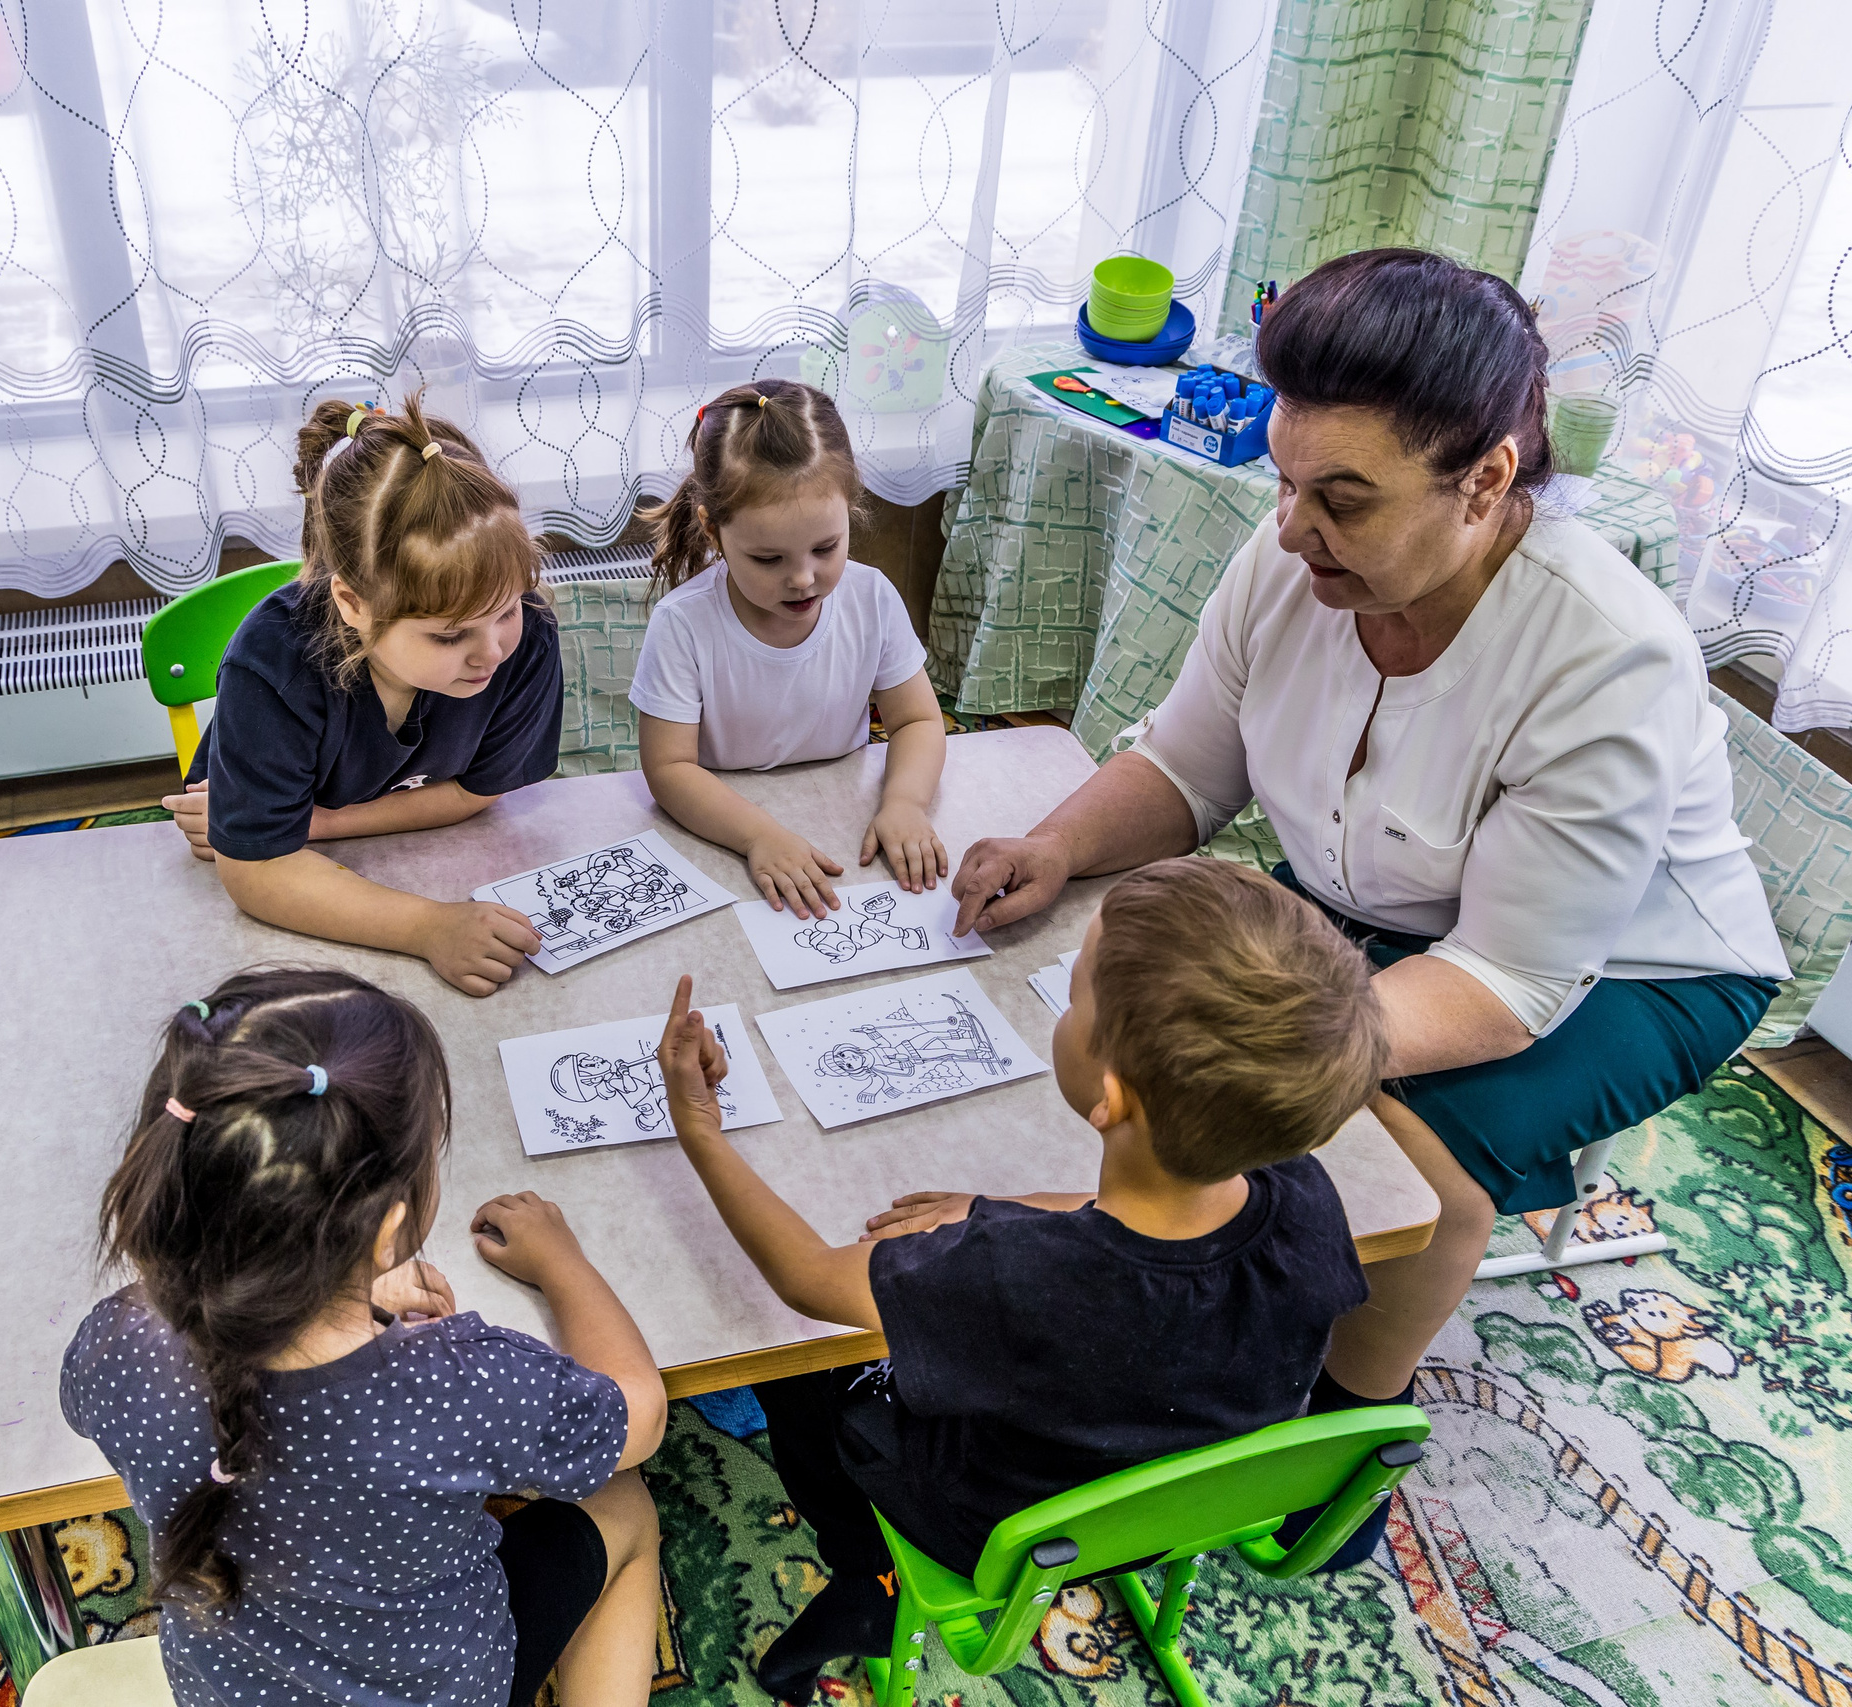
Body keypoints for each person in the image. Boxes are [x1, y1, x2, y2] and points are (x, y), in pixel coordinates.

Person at [943, 248, 1789, 1437]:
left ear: (1485, 482)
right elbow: (1187, 771)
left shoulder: (1608, 654)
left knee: (1417, 1170)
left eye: (1342, 500)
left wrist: (1255, 1049)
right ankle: (1212, 1312)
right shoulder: (1290, 558)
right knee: (1195, 1029)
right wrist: (1057, 843)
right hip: (1384, 905)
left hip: (1626, 969)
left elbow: (1507, 980)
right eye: (1286, 484)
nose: (1292, 530)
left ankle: (1342, 1433)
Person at [653, 857, 1388, 1697]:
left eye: (1073, 995)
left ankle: (867, 1571)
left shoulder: (1018, 1273)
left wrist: (702, 1127)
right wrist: (995, 1206)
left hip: (984, 1518)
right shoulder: (1302, 1190)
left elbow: (808, 1278)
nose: (1065, 1005)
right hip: (1169, 1505)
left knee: (804, 1357)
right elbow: (1150, 1229)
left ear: (1109, 1097)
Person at [62, 968, 667, 1707]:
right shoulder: (464, 1383)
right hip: (440, 1692)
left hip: (230, 1691)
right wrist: (562, 1262)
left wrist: (340, 1291)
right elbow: (639, 1417)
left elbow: (95, 1401)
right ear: (389, 1230)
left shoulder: (118, 1342)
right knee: (626, 1502)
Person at [163, 392, 563, 996]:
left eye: (504, 610)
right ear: (353, 603)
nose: (492, 652)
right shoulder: (272, 663)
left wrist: (313, 825)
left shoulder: (526, 632)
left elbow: (478, 792)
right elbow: (255, 873)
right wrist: (427, 926)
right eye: (449, 635)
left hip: (338, 845)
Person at [630, 378, 949, 920]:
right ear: (713, 531)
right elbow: (669, 768)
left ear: (849, 506)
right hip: (721, 832)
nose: (803, 579)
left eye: (826, 547)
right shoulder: (682, 624)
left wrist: (904, 803)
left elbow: (918, 721)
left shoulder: (871, 597)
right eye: (768, 559)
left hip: (843, 825)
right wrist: (758, 835)